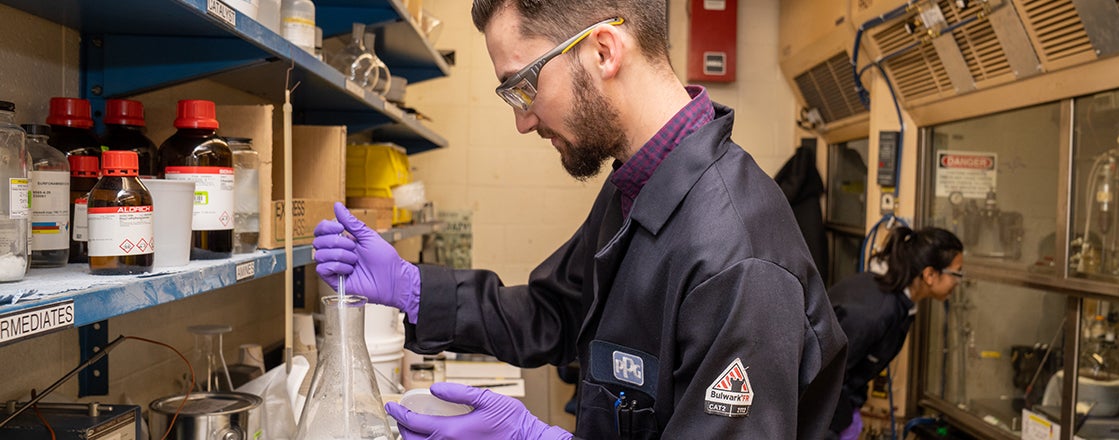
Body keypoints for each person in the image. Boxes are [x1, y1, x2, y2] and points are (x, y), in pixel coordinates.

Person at [311, 0, 848, 438]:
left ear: (603, 50)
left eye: (523, 86)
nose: (523, 121)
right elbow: (552, 312)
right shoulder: (635, 187)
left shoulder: (738, 255)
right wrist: (411, 287)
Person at [826, 227, 963, 439]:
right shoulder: (874, 312)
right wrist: (835, 426)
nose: (958, 282)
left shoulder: (900, 303)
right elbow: (824, 376)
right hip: (819, 411)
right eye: (956, 274)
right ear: (929, 274)